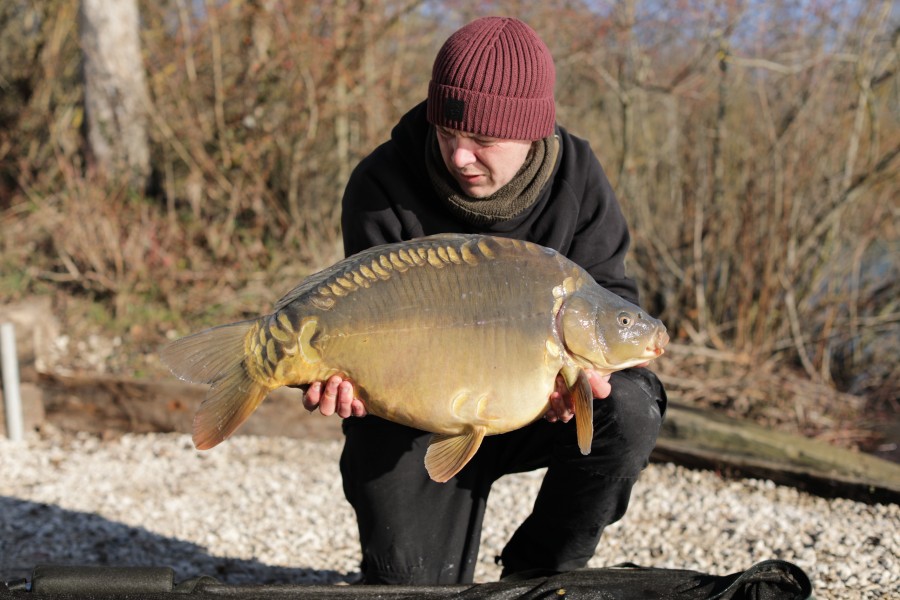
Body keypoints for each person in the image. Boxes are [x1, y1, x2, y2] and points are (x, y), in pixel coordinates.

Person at [302, 16, 667, 585]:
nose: (461, 156)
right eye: (448, 133)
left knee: (630, 406)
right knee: (409, 586)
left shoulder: (578, 176)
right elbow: (358, 325)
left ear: (530, 132)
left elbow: (610, 297)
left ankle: (538, 573)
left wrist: (581, 383)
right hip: (416, 409)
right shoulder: (382, 184)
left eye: (484, 141)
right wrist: (340, 379)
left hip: (541, 400)